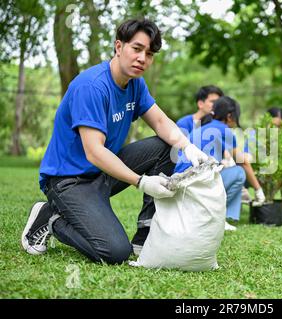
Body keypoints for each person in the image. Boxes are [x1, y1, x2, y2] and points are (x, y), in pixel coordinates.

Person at [21, 18, 208, 264]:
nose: (143, 58)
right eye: (137, 49)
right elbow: (94, 152)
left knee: (167, 147)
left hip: (103, 173)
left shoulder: (135, 84)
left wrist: (188, 147)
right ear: (119, 47)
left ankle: (144, 236)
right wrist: (141, 182)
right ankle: (51, 218)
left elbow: (161, 123)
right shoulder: (92, 86)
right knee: (114, 252)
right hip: (69, 181)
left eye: (149, 54)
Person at [175, 96, 264, 231]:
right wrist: (258, 190)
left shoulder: (204, 128)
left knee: (229, 171)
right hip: (194, 182)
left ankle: (221, 217)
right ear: (229, 116)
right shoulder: (224, 130)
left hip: (181, 181)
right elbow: (243, 162)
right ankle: (215, 217)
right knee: (239, 173)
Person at [241, 107, 282, 203]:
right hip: (254, 173)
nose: (276, 129)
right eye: (273, 125)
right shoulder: (254, 135)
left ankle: (268, 197)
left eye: (279, 127)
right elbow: (246, 159)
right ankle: (242, 194)